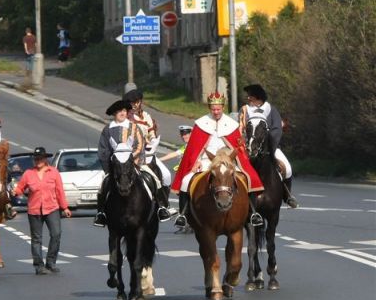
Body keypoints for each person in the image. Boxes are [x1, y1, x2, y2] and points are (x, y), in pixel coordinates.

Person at [171, 92, 264, 228]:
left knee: (247, 178)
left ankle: (252, 213)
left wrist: (235, 158)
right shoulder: (201, 123)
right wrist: (196, 161)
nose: (216, 112)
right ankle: (183, 214)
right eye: (213, 109)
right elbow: (194, 147)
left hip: (227, 161)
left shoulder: (231, 124)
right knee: (186, 181)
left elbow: (239, 147)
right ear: (210, 108)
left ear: (223, 108)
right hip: (206, 160)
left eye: (218, 109)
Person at [12, 147, 71, 274]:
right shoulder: (28, 173)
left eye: (40, 158)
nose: (37, 161)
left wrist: (65, 207)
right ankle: (39, 266)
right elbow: (20, 188)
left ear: (45, 159)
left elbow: (59, 191)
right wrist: (14, 192)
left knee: (56, 234)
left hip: (52, 208)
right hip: (34, 210)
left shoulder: (54, 172)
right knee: (36, 239)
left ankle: (51, 262)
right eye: (36, 159)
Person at [239, 84, 299, 208]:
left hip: (269, 147)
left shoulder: (271, 109)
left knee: (287, 168)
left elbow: (277, 129)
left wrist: (269, 145)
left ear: (258, 98)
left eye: (251, 97)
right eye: (248, 97)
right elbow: (239, 128)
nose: (248, 99)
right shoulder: (244, 110)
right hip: (248, 147)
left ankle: (287, 196)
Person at [123, 89, 176, 222]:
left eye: (135, 102)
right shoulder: (127, 117)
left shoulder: (147, 117)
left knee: (166, 175)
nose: (134, 105)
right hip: (132, 155)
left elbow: (151, 133)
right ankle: (103, 210)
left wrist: (152, 141)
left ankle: (163, 206)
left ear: (140, 102)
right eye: (130, 102)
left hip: (148, 153)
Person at [93, 100, 145, 227]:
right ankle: (101, 213)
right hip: (115, 168)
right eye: (119, 111)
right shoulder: (107, 129)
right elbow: (103, 150)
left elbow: (139, 145)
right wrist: (110, 167)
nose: (122, 113)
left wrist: (130, 160)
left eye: (124, 111)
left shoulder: (134, 127)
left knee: (153, 179)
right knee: (102, 186)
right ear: (114, 114)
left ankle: (160, 207)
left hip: (133, 165)